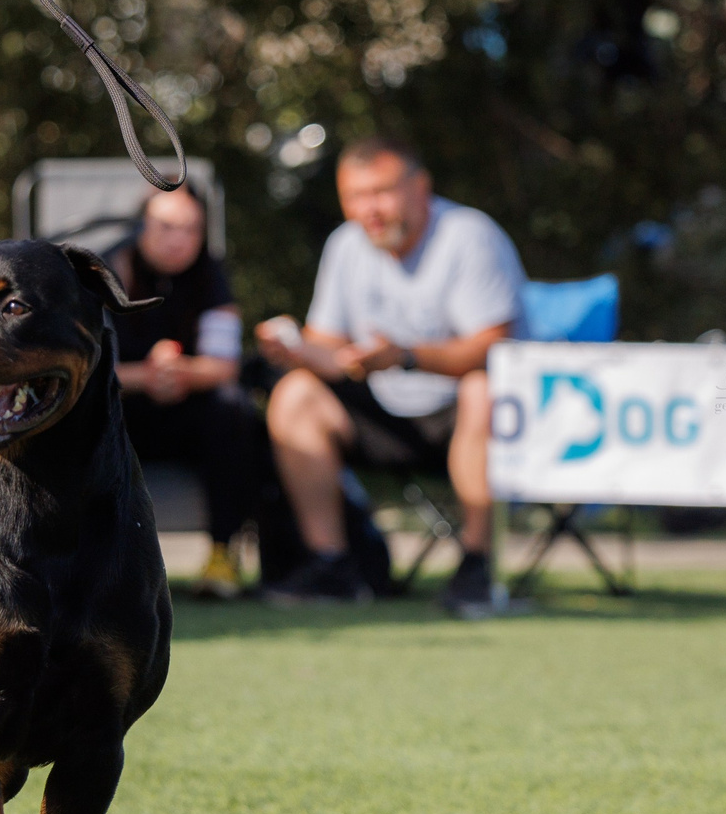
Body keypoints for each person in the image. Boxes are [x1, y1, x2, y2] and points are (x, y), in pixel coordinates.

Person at [256, 136, 524, 614]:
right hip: (382, 409)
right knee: (294, 393)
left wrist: (404, 356)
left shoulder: (469, 236)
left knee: (483, 387)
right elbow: (327, 341)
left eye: (380, 192)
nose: (369, 210)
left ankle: (477, 565)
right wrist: (294, 348)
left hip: (462, 415)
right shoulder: (346, 245)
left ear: (420, 187)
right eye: (355, 196)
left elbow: (494, 347)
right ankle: (331, 563)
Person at [107, 183, 265, 597]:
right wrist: (145, 376)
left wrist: (179, 373)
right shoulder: (108, 272)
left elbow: (224, 366)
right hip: (120, 413)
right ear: (140, 226)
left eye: (192, 229)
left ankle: (222, 554)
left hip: (186, 414)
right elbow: (80, 370)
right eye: (167, 226)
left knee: (233, 409)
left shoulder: (210, 275)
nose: (179, 239)